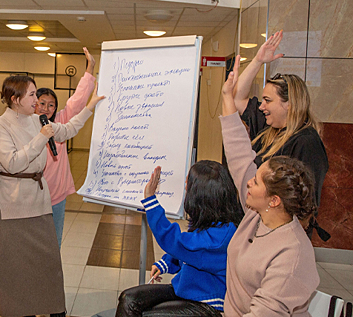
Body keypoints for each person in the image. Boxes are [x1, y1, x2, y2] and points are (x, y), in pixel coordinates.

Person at [0, 75, 103, 317]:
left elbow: (68, 129)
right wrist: (41, 137)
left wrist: (90, 107)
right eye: (31, 95)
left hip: (39, 201)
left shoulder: (35, 120)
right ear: (15, 99)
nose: (37, 101)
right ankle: (22, 311)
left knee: (48, 261)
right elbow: (12, 162)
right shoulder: (2, 125)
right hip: (11, 204)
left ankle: (53, 309)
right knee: (16, 266)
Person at [221, 56, 319, 316]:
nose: (248, 183)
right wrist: (226, 95)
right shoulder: (255, 218)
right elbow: (240, 157)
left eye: (268, 100)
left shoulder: (289, 253)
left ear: (276, 198)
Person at [233, 30, 329, 239]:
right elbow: (237, 98)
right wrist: (258, 60)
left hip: (282, 233)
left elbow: (307, 201)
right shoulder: (268, 127)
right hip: (257, 224)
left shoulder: (307, 142)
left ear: (289, 104)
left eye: (268, 100)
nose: (262, 106)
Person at [116, 161, 244, 317]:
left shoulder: (220, 238)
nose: (185, 185)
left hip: (207, 303)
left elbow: (179, 243)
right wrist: (167, 263)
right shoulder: (216, 221)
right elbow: (191, 250)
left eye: (188, 182)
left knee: (144, 314)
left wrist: (150, 200)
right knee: (128, 299)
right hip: (187, 289)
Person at [35, 47, 96, 246]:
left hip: (57, 195)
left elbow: (77, 102)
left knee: (55, 241)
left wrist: (90, 68)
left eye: (51, 105)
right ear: (33, 104)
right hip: (33, 196)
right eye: (41, 103)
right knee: (35, 243)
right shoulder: (26, 126)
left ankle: (51, 277)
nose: (46, 108)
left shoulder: (60, 122)